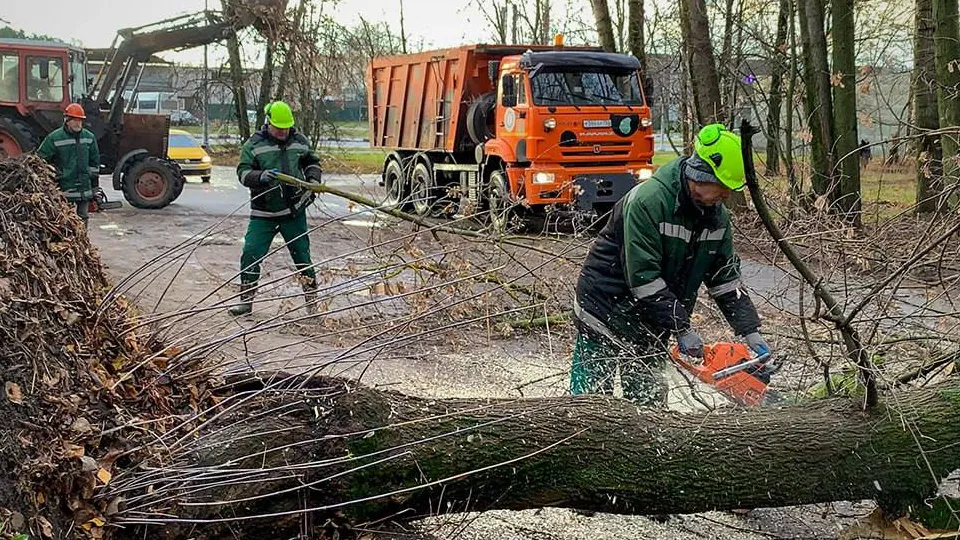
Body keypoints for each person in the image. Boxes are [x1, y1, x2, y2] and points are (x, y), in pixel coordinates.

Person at [570, 123, 771, 407]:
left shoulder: (716, 218)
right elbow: (644, 279)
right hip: (605, 312)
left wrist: (749, 328)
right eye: (723, 186)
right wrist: (682, 327)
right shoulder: (648, 201)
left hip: (653, 321)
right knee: (591, 406)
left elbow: (725, 278)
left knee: (649, 407)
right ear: (701, 174)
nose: (727, 194)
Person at [229, 100, 323, 317]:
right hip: (263, 213)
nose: (283, 132)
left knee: (303, 257)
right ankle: (245, 302)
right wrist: (259, 177)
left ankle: (312, 305)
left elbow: (312, 162)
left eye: (286, 128)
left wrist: (313, 180)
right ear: (268, 122)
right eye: (279, 128)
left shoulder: (300, 141)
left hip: (294, 212)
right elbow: (243, 173)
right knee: (251, 253)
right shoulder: (254, 145)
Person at [36, 103, 100, 227]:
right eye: (74, 120)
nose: (78, 123)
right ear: (66, 120)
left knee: (83, 218)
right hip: (64, 188)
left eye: (80, 120)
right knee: (64, 219)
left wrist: (94, 186)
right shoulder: (54, 138)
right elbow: (40, 160)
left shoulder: (89, 137)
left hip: (84, 189)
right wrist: (54, 175)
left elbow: (95, 163)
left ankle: (82, 238)